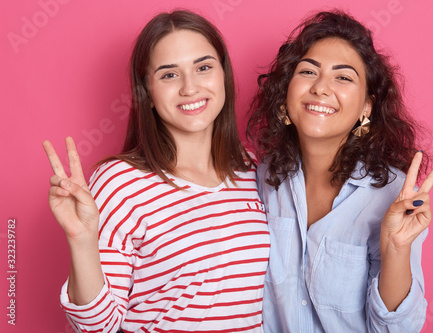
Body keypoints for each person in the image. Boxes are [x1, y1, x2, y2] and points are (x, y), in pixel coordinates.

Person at [43, 11, 270, 333]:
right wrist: (81, 240)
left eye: (203, 67)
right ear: (146, 92)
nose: (190, 88)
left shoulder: (252, 171)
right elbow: (97, 327)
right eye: (169, 75)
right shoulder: (119, 182)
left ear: (223, 75)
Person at [247, 10, 433, 332]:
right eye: (308, 72)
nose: (321, 88)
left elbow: (396, 329)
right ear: (285, 95)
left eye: (343, 77)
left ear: (366, 107)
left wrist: (396, 248)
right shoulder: (263, 178)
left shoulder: (392, 194)